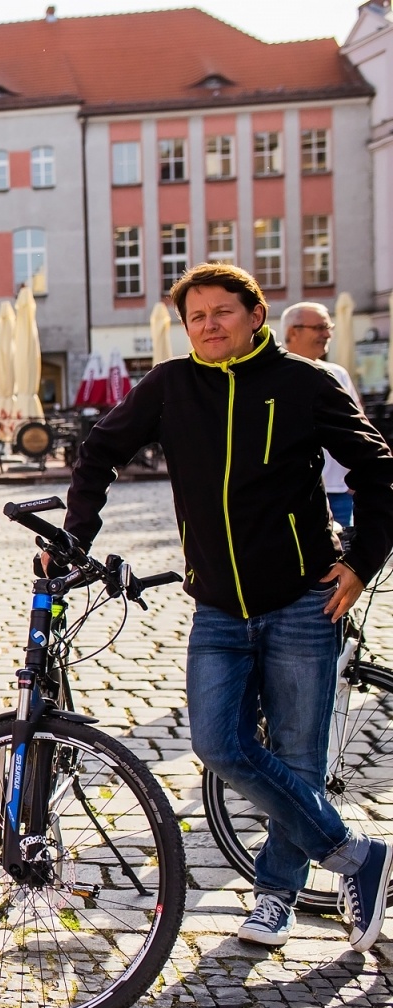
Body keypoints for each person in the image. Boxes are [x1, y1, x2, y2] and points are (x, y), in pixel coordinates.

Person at [64, 263, 393, 953]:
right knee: (218, 744)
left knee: (299, 761)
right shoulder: (170, 386)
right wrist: (76, 535)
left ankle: (274, 897)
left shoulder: (306, 384)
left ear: (254, 313)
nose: (208, 324)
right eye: (196, 316)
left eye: (221, 311)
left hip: (306, 602)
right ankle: (356, 854)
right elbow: (99, 450)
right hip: (217, 609)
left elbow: (376, 468)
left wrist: (362, 562)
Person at [282, 301, 360, 528]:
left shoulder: (337, 373)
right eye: (319, 328)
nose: (327, 334)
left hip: (339, 489)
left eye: (329, 328)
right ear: (292, 332)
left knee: (341, 558)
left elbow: (358, 426)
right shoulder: (273, 375)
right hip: (293, 492)